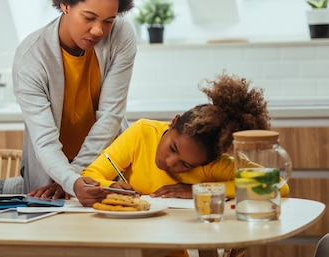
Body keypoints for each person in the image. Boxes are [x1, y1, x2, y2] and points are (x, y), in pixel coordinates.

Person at [12, 0, 137, 204]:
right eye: (89, 17)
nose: (98, 31)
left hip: (105, 165)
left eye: (108, 20)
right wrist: (70, 178)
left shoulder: (122, 36)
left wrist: (75, 176)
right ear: (65, 3)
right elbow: (44, 140)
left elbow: (110, 118)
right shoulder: (31, 57)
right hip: (50, 175)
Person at [80, 72, 289, 201]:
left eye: (186, 165)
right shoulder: (142, 133)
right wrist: (111, 187)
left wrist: (200, 190)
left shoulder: (213, 164)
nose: (171, 163)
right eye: (173, 148)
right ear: (173, 122)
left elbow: (278, 185)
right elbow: (90, 175)